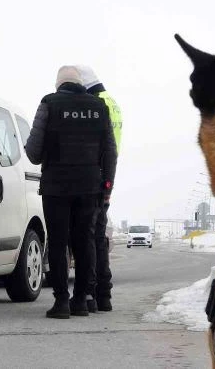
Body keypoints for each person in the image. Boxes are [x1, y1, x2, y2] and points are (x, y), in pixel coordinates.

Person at [25, 66, 118, 319]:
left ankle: (61, 302)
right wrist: (107, 186)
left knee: (58, 241)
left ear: (59, 84)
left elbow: (33, 153)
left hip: (56, 187)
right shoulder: (100, 108)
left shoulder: (49, 104)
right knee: (85, 241)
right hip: (90, 187)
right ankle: (80, 301)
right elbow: (110, 152)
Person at [76, 65, 122, 312]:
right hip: (108, 176)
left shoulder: (96, 105)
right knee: (99, 238)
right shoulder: (112, 102)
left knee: (91, 238)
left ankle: (93, 293)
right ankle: (104, 294)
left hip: (95, 177)